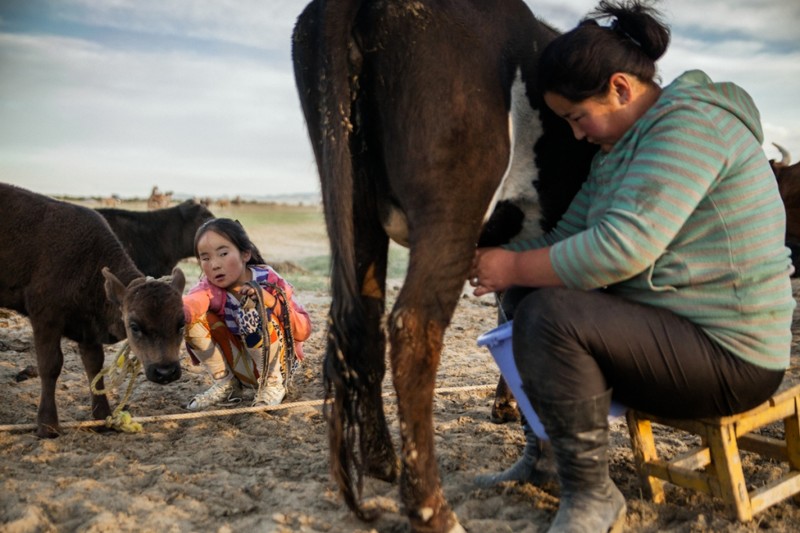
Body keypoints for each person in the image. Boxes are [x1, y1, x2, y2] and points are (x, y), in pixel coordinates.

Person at [469, 1, 795, 531]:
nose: (577, 134)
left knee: (548, 314)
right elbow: (569, 236)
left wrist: (513, 266)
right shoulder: (618, 152)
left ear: (620, 88)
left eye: (578, 117)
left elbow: (620, 250)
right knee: (524, 298)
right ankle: (548, 459)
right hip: (675, 332)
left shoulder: (690, 127)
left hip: (732, 355)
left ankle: (594, 497)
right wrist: (491, 259)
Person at [182, 218, 312, 410]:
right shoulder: (208, 288)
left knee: (251, 309)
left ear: (245, 254)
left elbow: (304, 330)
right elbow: (191, 304)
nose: (215, 265)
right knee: (193, 318)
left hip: (279, 365)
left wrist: (271, 301)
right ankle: (226, 383)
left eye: (223, 253)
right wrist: (174, 310)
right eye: (205, 258)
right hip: (242, 368)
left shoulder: (269, 280)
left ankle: (273, 384)